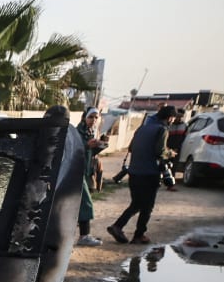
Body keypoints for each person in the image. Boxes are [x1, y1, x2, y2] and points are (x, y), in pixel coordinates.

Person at [106, 105, 178, 245]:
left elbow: (131, 147)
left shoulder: (142, 128)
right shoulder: (162, 130)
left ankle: (117, 226)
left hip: (134, 172)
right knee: (147, 206)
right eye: (173, 118)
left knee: (137, 203)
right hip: (150, 173)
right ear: (170, 118)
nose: (173, 121)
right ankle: (139, 235)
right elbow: (159, 151)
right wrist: (171, 153)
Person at [75, 107, 107, 246]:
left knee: (79, 205)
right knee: (85, 204)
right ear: (84, 117)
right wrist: (86, 145)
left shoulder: (90, 132)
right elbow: (74, 150)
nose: (93, 120)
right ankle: (84, 236)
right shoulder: (77, 133)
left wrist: (100, 145)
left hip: (84, 173)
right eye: (91, 117)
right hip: (75, 172)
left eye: (96, 117)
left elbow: (90, 153)